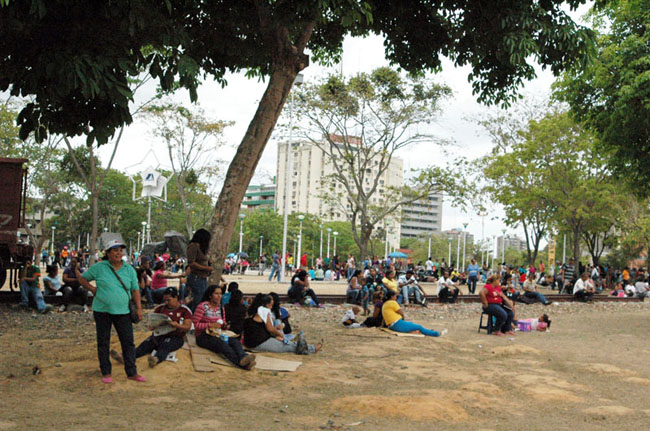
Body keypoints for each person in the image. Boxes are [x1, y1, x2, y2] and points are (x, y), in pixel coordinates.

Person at [77, 240, 145, 383]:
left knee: (128, 342)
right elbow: (83, 279)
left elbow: (135, 290)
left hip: (124, 311)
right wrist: (92, 289)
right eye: (115, 250)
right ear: (107, 253)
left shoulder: (129, 270)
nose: (118, 253)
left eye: (121, 250)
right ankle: (106, 372)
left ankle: (132, 372)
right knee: (103, 342)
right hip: (102, 310)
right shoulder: (99, 267)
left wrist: (139, 308)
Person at [112, 287, 192, 368]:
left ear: (176, 298)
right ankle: (125, 357)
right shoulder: (160, 308)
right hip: (160, 334)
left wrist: (177, 325)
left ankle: (156, 359)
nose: (166, 302)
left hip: (175, 336)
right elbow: (152, 322)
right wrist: (152, 326)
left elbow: (187, 327)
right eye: (164, 300)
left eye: (168, 300)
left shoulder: (184, 310)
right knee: (145, 344)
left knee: (165, 346)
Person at [192, 284, 256, 370]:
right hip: (203, 336)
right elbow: (195, 325)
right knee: (223, 345)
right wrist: (210, 325)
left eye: (220, 294)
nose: (219, 296)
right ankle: (241, 363)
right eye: (216, 294)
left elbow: (223, 323)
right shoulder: (202, 307)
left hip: (218, 333)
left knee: (235, 342)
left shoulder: (221, 308)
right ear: (210, 295)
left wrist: (225, 326)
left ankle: (243, 357)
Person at [243, 294, 321, 354]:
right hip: (258, 343)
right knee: (287, 346)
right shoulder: (265, 311)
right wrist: (280, 335)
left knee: (285, 343)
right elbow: (270, 329)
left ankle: (307, 346)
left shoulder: (252, 311)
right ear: (267, 305)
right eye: (271, 303)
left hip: (251, 341)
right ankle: (312, 349)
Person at [187, 228, 212, 312]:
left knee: (201, 299)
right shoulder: (193, 246)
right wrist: (206, 268)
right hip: (196, 277)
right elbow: (191, 263)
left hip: (202, 277)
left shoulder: (201, 248)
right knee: (198, 300)